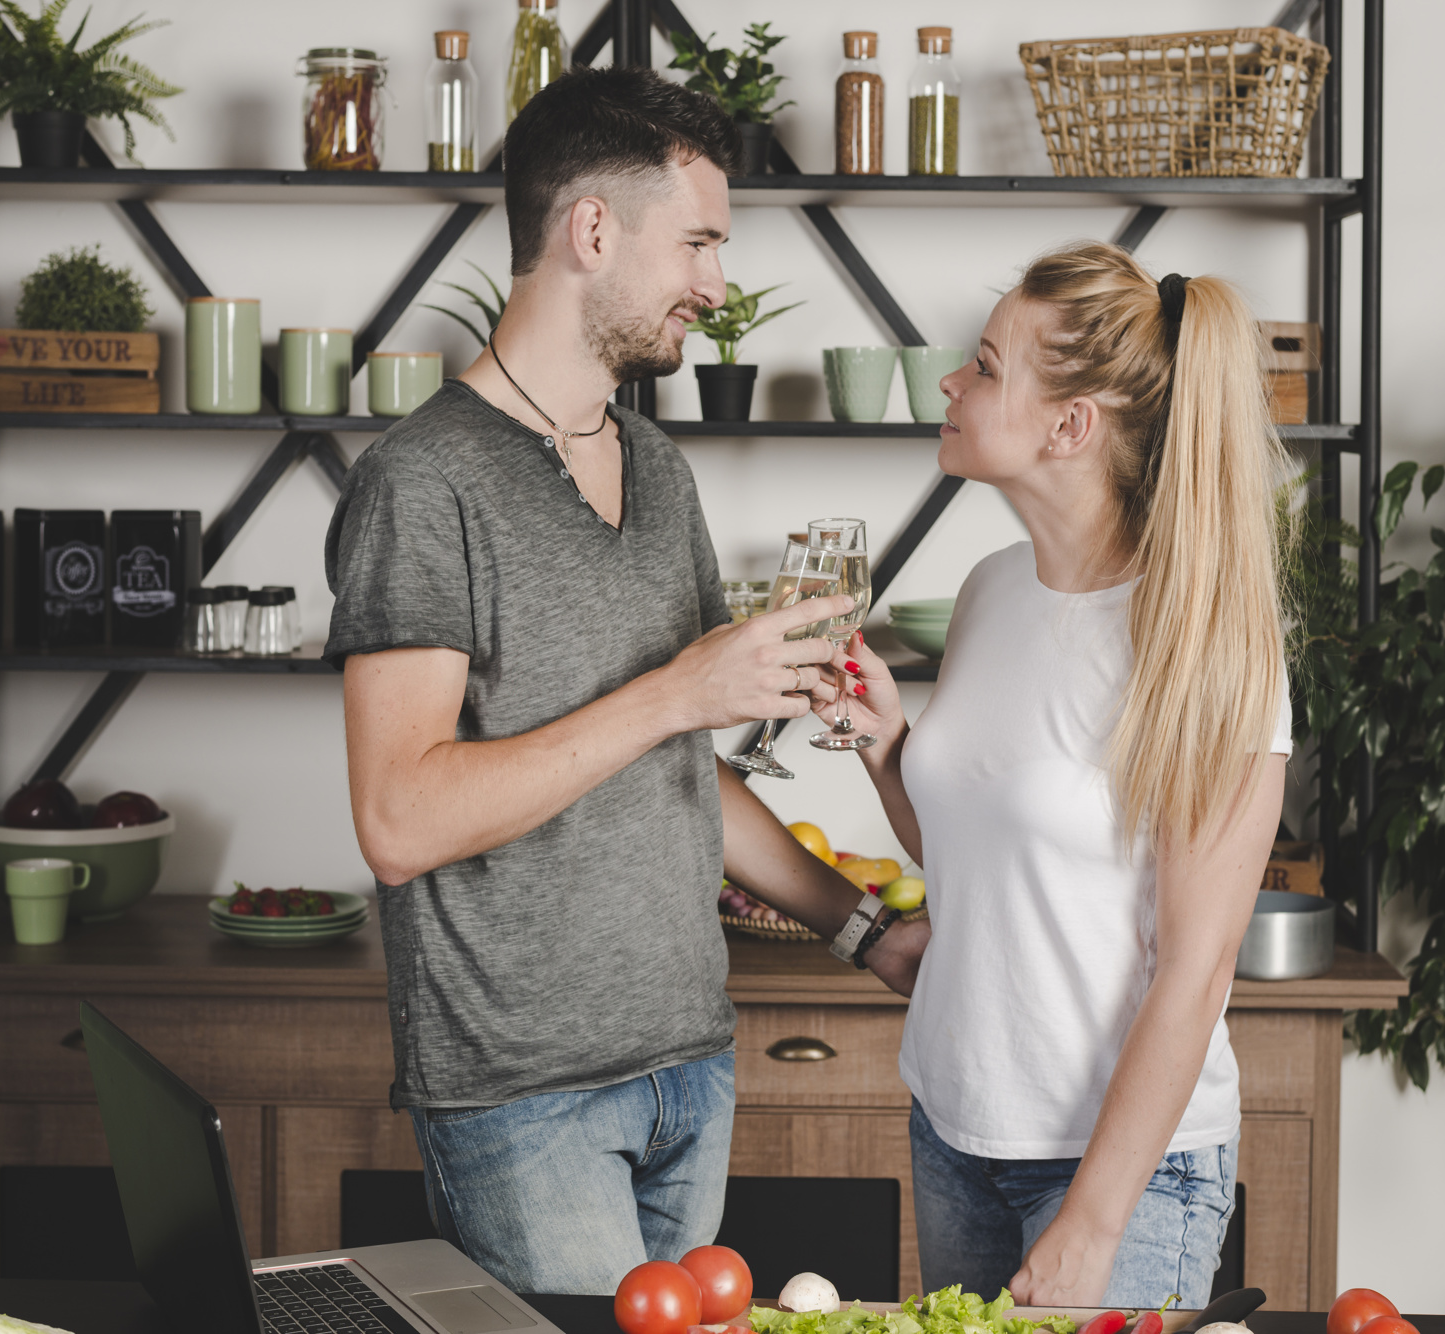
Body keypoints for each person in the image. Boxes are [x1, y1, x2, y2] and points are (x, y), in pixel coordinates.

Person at [322, 66, 927, 1297]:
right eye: (698, 241)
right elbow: (398, 819)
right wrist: (673, 690)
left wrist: (862, 933)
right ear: (592, 230)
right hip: (519, 1095)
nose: (716, 283)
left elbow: (679, 772)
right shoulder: (421, 483)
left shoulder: (655, 468)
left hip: (690, 1073)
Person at [813, 242, 1292, 1307]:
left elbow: (1195, 969)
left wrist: (1091, 1217)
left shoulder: (1201, 641)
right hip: (953, 1127)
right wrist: (891, 749)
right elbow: (989, 868)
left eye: (983, 366)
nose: (949, 381)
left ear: (1068, 425)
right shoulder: (989, 589)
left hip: (1121, 1168)